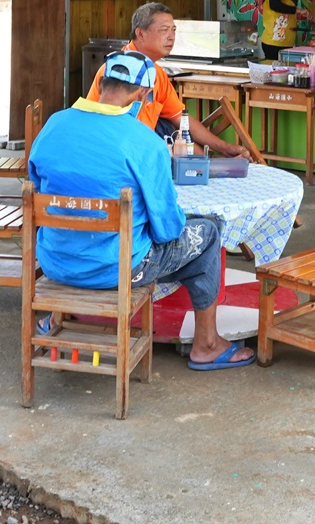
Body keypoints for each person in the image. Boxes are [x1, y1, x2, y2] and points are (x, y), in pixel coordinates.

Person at [28, 51, 255, 370]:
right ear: (143, 95)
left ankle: (53, 318)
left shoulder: (54, 125)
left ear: (103, 83)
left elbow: (36, 185)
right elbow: (168, 229)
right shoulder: (143, 142)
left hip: (55, 261)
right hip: (117, 269)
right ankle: (206, 344)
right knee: (207, 232)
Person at [88, 2, 248, 157]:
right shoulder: (118, 70)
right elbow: (109, 130)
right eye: (164, 30)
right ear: (141, 34)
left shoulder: (157, 74)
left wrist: (223, 150)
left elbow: (181, 120)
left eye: (173, 30)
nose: (171, 37)